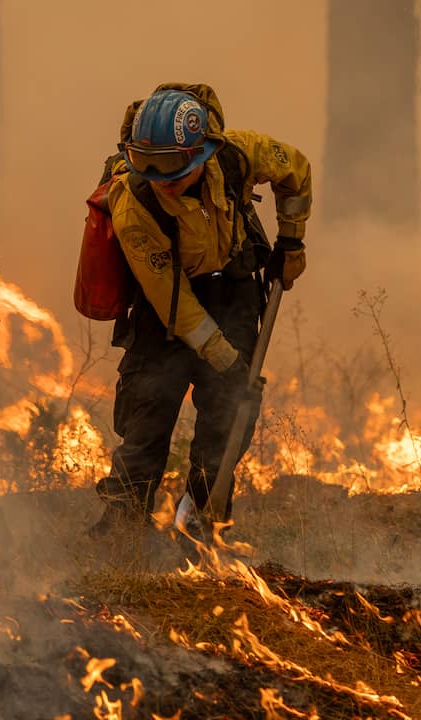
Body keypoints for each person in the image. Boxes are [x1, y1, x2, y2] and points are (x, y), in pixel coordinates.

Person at [89, 84, 311, 537]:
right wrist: (223, 357)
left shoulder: (237, 155)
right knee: (148, 416)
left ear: (201, 152)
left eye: (171, 166)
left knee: (230, 414)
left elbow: (297, 170)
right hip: (164, 310)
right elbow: (174, 303)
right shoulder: (133, 202)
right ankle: (121, 533)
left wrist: (291, 236)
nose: (159, 178)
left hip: (233, 290)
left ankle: (202, 527)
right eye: (146, 164)